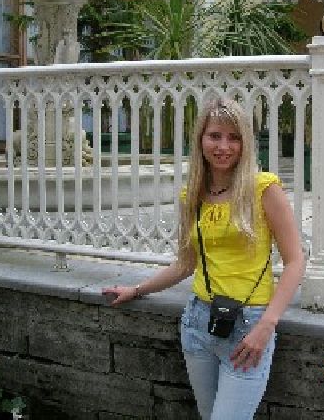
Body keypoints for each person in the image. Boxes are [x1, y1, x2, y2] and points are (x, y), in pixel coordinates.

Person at [102, 98, 305, 420]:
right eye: (215, 136)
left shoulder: (263, 189)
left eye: (233, 137)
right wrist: (137, 290)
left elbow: (295, 261)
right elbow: (186, 263)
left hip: (249, 326)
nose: (223, 146)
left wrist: (267, 325)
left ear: (245, 143)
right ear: (200, 139)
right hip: (198, 323)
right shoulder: (192, 195)